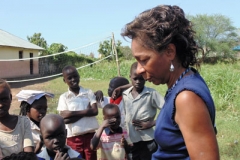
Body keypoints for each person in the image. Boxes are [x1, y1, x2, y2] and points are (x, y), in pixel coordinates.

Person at [121, 5, 220, 160]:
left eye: (144, 60)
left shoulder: (186, 97)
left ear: (169, 52)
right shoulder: (182, 83)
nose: (139, 69)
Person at [121, 62, 164, 160]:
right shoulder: (125, 95)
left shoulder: (151, 93)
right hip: (131, 140)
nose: (138, 82)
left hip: (148, 140)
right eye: (135, 78)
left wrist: (153, 123)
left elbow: (168, 110)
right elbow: (125, 116)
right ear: (130, 77)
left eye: (141, 78)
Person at [57, 65, 98, 160]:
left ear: (79, 76)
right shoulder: (64, 97)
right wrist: (87, 111)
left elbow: (95, 111)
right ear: (64, 81)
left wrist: (71, 113)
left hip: (90, 135)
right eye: (69, 78)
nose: (73, 79)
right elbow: (64, 119)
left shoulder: (88, 92)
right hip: (74, 138)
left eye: (75, 76)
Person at [0, 79, 34, 158]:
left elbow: (29, 155)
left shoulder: (23, 122)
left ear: (10, 98)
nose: (0, 105)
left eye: (4, 99)